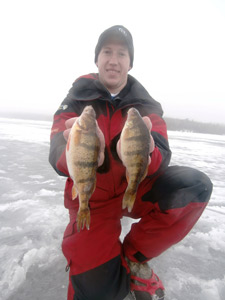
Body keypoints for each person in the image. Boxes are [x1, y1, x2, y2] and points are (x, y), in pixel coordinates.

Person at [49, 25, 213, 300]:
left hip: (134, 189)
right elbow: (55, 153)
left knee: (194, 187)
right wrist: (73, 151)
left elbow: (162, 153)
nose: (113, 59)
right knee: (99, 293)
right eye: (107, 51)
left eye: (121, 53)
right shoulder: (75, 101)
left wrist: (149, 152)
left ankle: (134, 255)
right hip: (93, 200)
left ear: (130, 62)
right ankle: (112, 268)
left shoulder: (145, 106)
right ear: (97, 58)